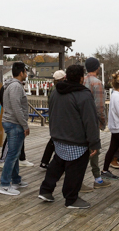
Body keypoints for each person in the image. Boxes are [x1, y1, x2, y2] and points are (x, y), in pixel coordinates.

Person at [38, 64, 101, 208]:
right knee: (75, 171)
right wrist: (94, 143)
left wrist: (53, 133)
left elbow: (52, 112)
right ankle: (71, 198)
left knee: (57, 164)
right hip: (76, 139)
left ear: (66, 76)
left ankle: (46, 190)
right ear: (81, 78)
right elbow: (90, 121)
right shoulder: (84, 95)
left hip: (58, 136)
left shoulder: (55, 92)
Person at [0, 62, 30, 196]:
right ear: (21, 72)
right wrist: (25, 125)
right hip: (14, 123)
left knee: (15, 153)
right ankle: (4, 185)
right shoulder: (16, 86)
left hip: (11, 121)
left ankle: (15, 179)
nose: (26, 74)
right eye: (26, 71)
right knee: (12, 155)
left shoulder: (9, 85)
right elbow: (17, 107)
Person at [83, 57, 110, 190]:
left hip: (80, 121)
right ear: (97, 68)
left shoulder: (81, 80)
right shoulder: (97, 83)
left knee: (82, 150)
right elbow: (100, 106)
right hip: (92, 122)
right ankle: (97, 179)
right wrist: (103, 122)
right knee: (95, 150)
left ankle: (79, 179)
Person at [40, 69, 66, 168]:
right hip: (59, 117)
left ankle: (45, 161)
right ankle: (55, 163)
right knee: (57, 140)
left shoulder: (52, 89)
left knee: (53, 139)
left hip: (52, 115)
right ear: (62, 78)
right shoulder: (60, 89)